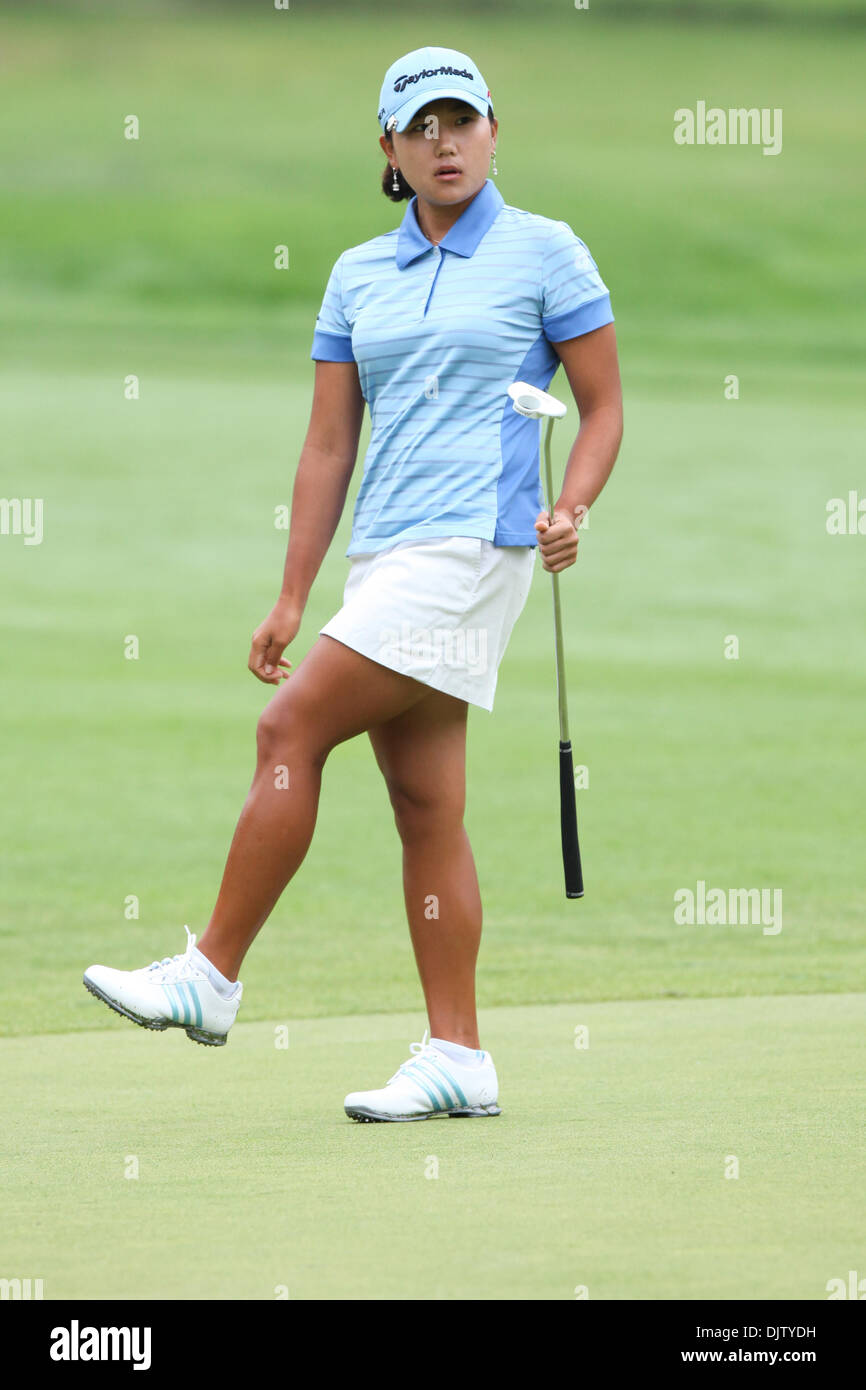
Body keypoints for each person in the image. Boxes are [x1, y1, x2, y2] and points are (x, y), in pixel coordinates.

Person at [83, 45, 623, 1123]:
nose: (443, 142)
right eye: (419, 127)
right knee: (426, 806)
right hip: (385, 555)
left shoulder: (543, 252)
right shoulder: (354, 276)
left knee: (288, 731)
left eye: (460, 121)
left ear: (492, 132)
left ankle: (212, 973)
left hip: (474, 548)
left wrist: (573, 506)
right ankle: (458, 1054)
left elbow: (602, 405)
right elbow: (328, 446)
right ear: (388, 149)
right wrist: (293, 593)